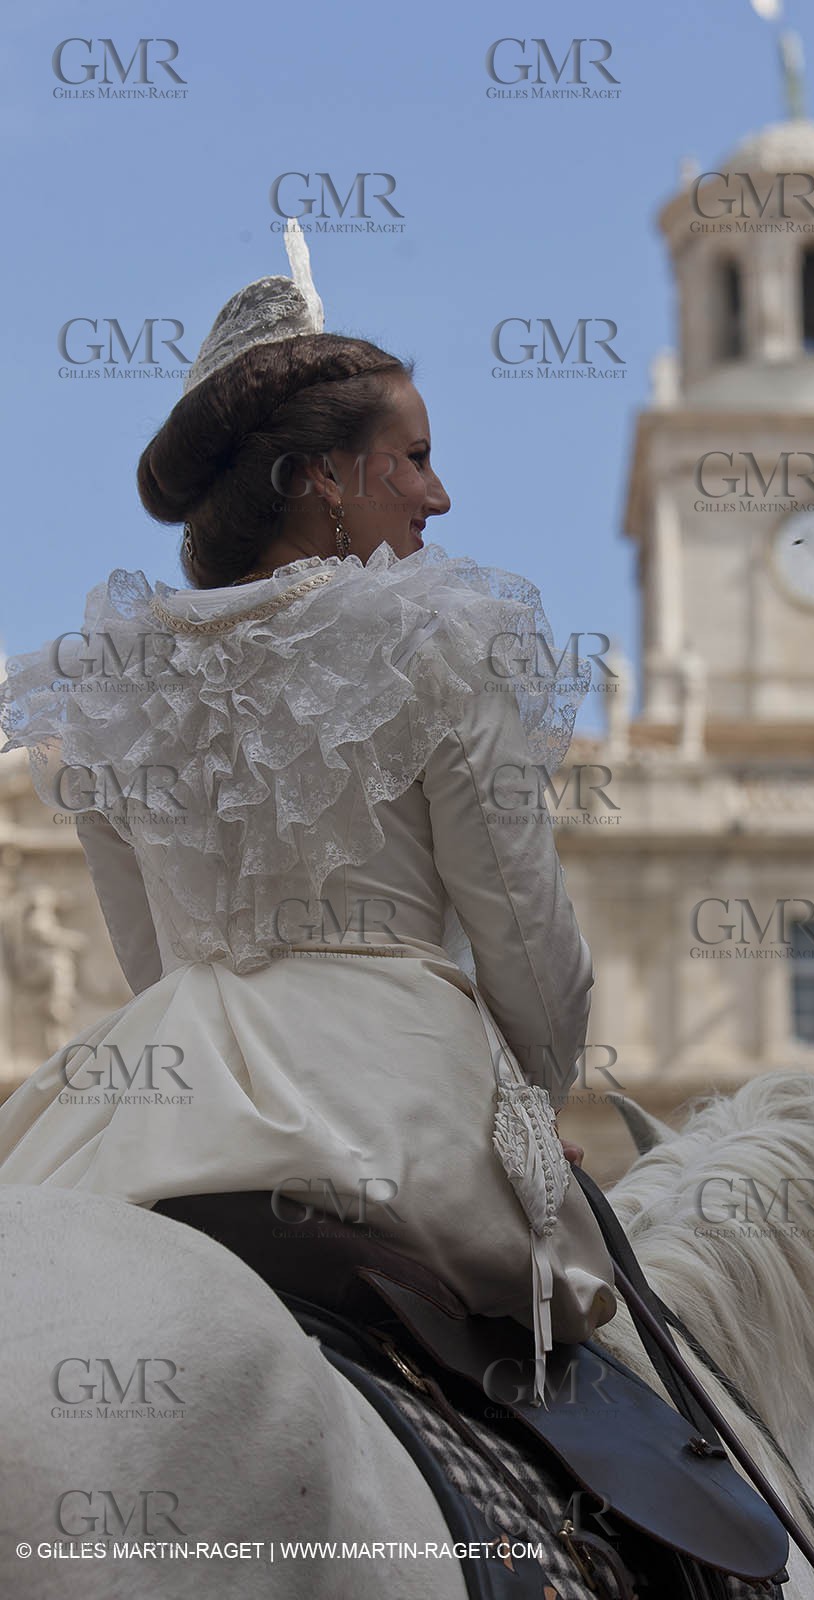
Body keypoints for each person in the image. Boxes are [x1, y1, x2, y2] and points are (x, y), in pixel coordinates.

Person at [0, 224, 616, 1391]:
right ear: (320, 476)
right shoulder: (436, 634)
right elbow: (527, 942)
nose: (440, 492)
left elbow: (150, 953)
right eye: (413, 457)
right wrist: (530, 1119)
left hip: (154, 1089)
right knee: (600, 1409)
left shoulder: (105, 684)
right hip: (395, 1086)